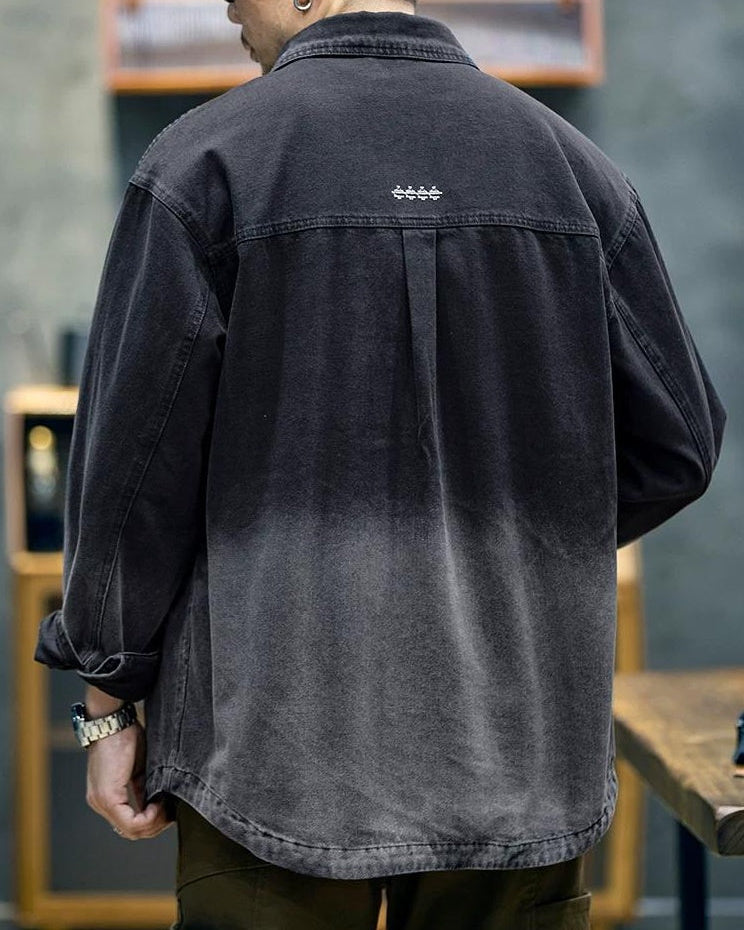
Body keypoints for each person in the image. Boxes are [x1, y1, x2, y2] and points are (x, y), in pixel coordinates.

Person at [33, 0, 728, 926]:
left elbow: (131, 480)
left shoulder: (202, 165)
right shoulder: (577, 173)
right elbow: (680, 443)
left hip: (269, 753)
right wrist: (511, 551)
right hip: (515, 751)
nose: (226, 5)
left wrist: (110, 707)